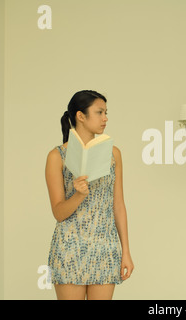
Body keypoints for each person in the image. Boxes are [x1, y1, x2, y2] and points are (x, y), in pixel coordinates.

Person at [45, 90, 134, 300]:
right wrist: (78, 195)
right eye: (100, 112)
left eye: (106, 112)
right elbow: (58, 213)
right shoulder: (56, 156)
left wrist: (126, 251)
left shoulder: (114, 154)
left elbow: (118, 205)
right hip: (69, 248)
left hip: (105, 246)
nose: (106, 118)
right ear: (80, 116)